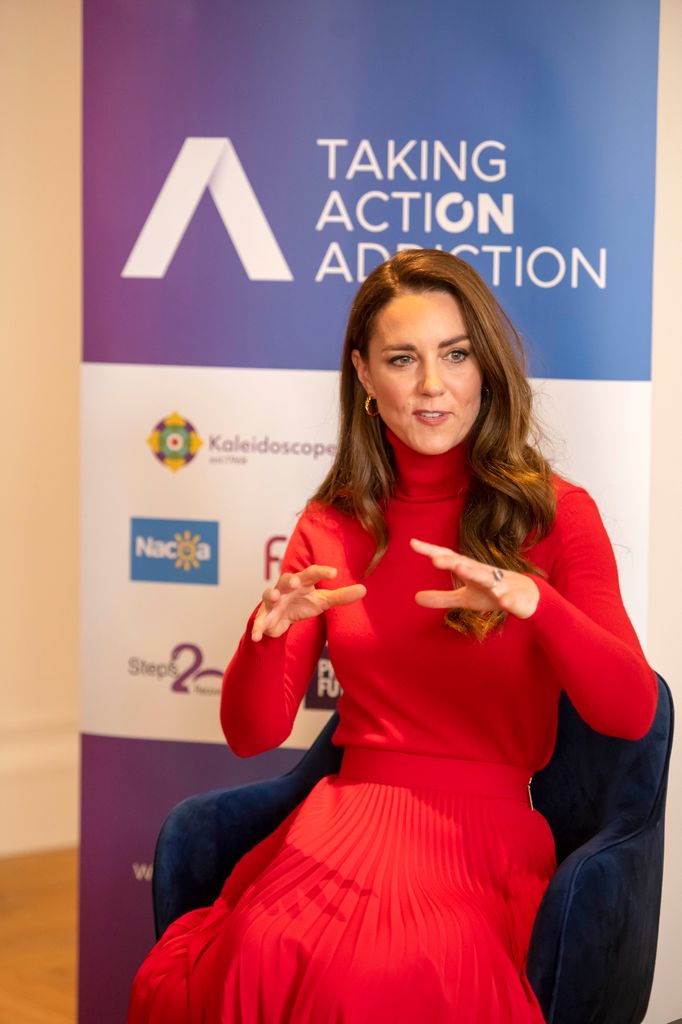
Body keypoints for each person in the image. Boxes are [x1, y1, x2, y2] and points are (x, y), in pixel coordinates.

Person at [128, 249, 657, 1023]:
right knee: (263, 950)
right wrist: (265, 636)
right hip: (343, 819)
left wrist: (535, 601)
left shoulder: (556, 515)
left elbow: (633, 714)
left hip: (483, 838)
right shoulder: (333, 521)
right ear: (366, 378)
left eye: (456, 355)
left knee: (383, 976)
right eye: (403, 360)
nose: (433, 385)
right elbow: (252, 734)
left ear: (487, 367)